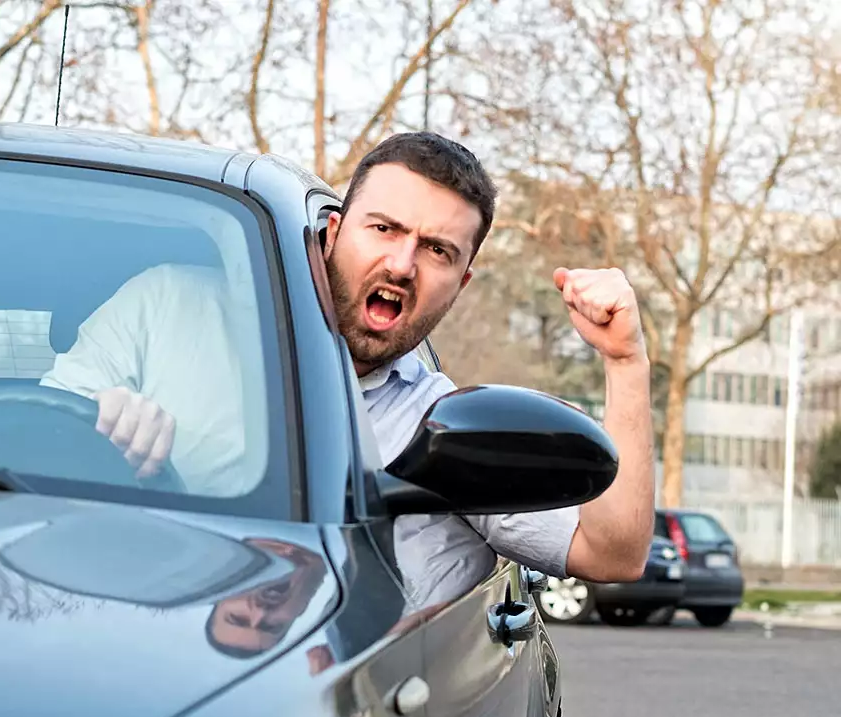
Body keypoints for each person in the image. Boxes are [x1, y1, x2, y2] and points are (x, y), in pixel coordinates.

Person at [40, 131, 655, 601]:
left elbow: (613, 554)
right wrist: (90, 427)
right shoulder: (166, 301)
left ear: (461, 282)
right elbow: (27, 438)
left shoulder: (440, 424)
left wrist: (625, 362)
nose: (402, 264)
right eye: (384, 228)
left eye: (437, 250)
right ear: (331, 234)